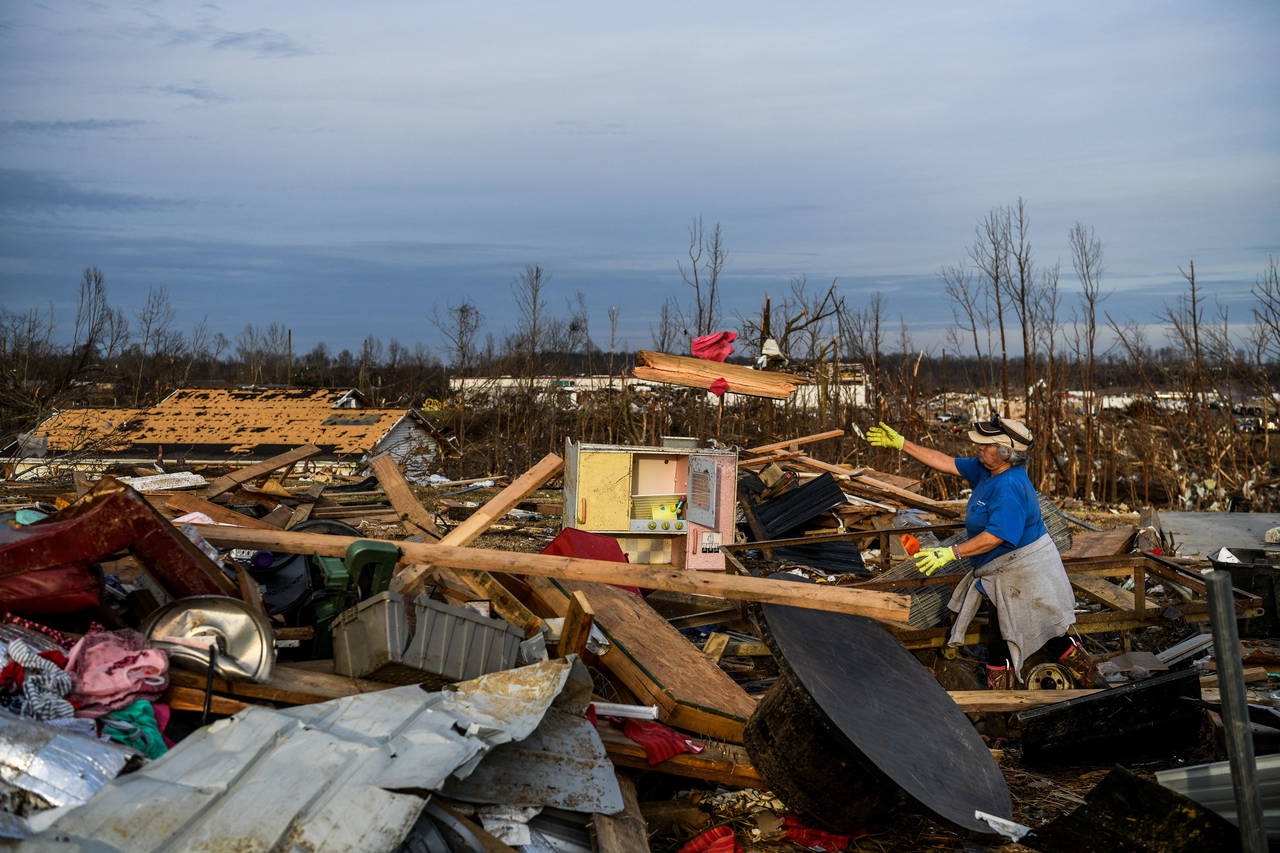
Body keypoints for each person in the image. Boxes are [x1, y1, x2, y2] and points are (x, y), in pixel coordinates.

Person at [866, 416, 1093, 689]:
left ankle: (1013, 704)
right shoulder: (987, 470)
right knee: (1030, 629)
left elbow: (995, 537)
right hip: (1006, 571)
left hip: (1025, 573)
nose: (979, 449)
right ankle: (1021, 696)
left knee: (1028, 631)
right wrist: (903, 444)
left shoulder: (1010, 486)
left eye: (985, 446)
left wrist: (950, 553)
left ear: (1006, 452)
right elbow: (946, 462)